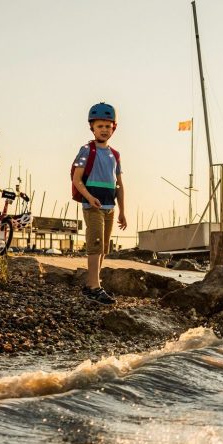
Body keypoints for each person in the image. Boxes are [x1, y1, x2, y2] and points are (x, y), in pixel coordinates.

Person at [71, 102, 127, 305]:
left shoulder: (116, 154)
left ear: (114, 127)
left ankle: (92, 284)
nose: (104, 129)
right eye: (99, 126)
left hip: (109, 206)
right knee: (94, 245)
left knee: (103, 247)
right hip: (92, 205)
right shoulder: (87, 150)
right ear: (92, 127)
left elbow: (119, 185)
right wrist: (88, 197)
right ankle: (94, 287)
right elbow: (77, 179)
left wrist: (122, 211)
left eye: (107, 126)